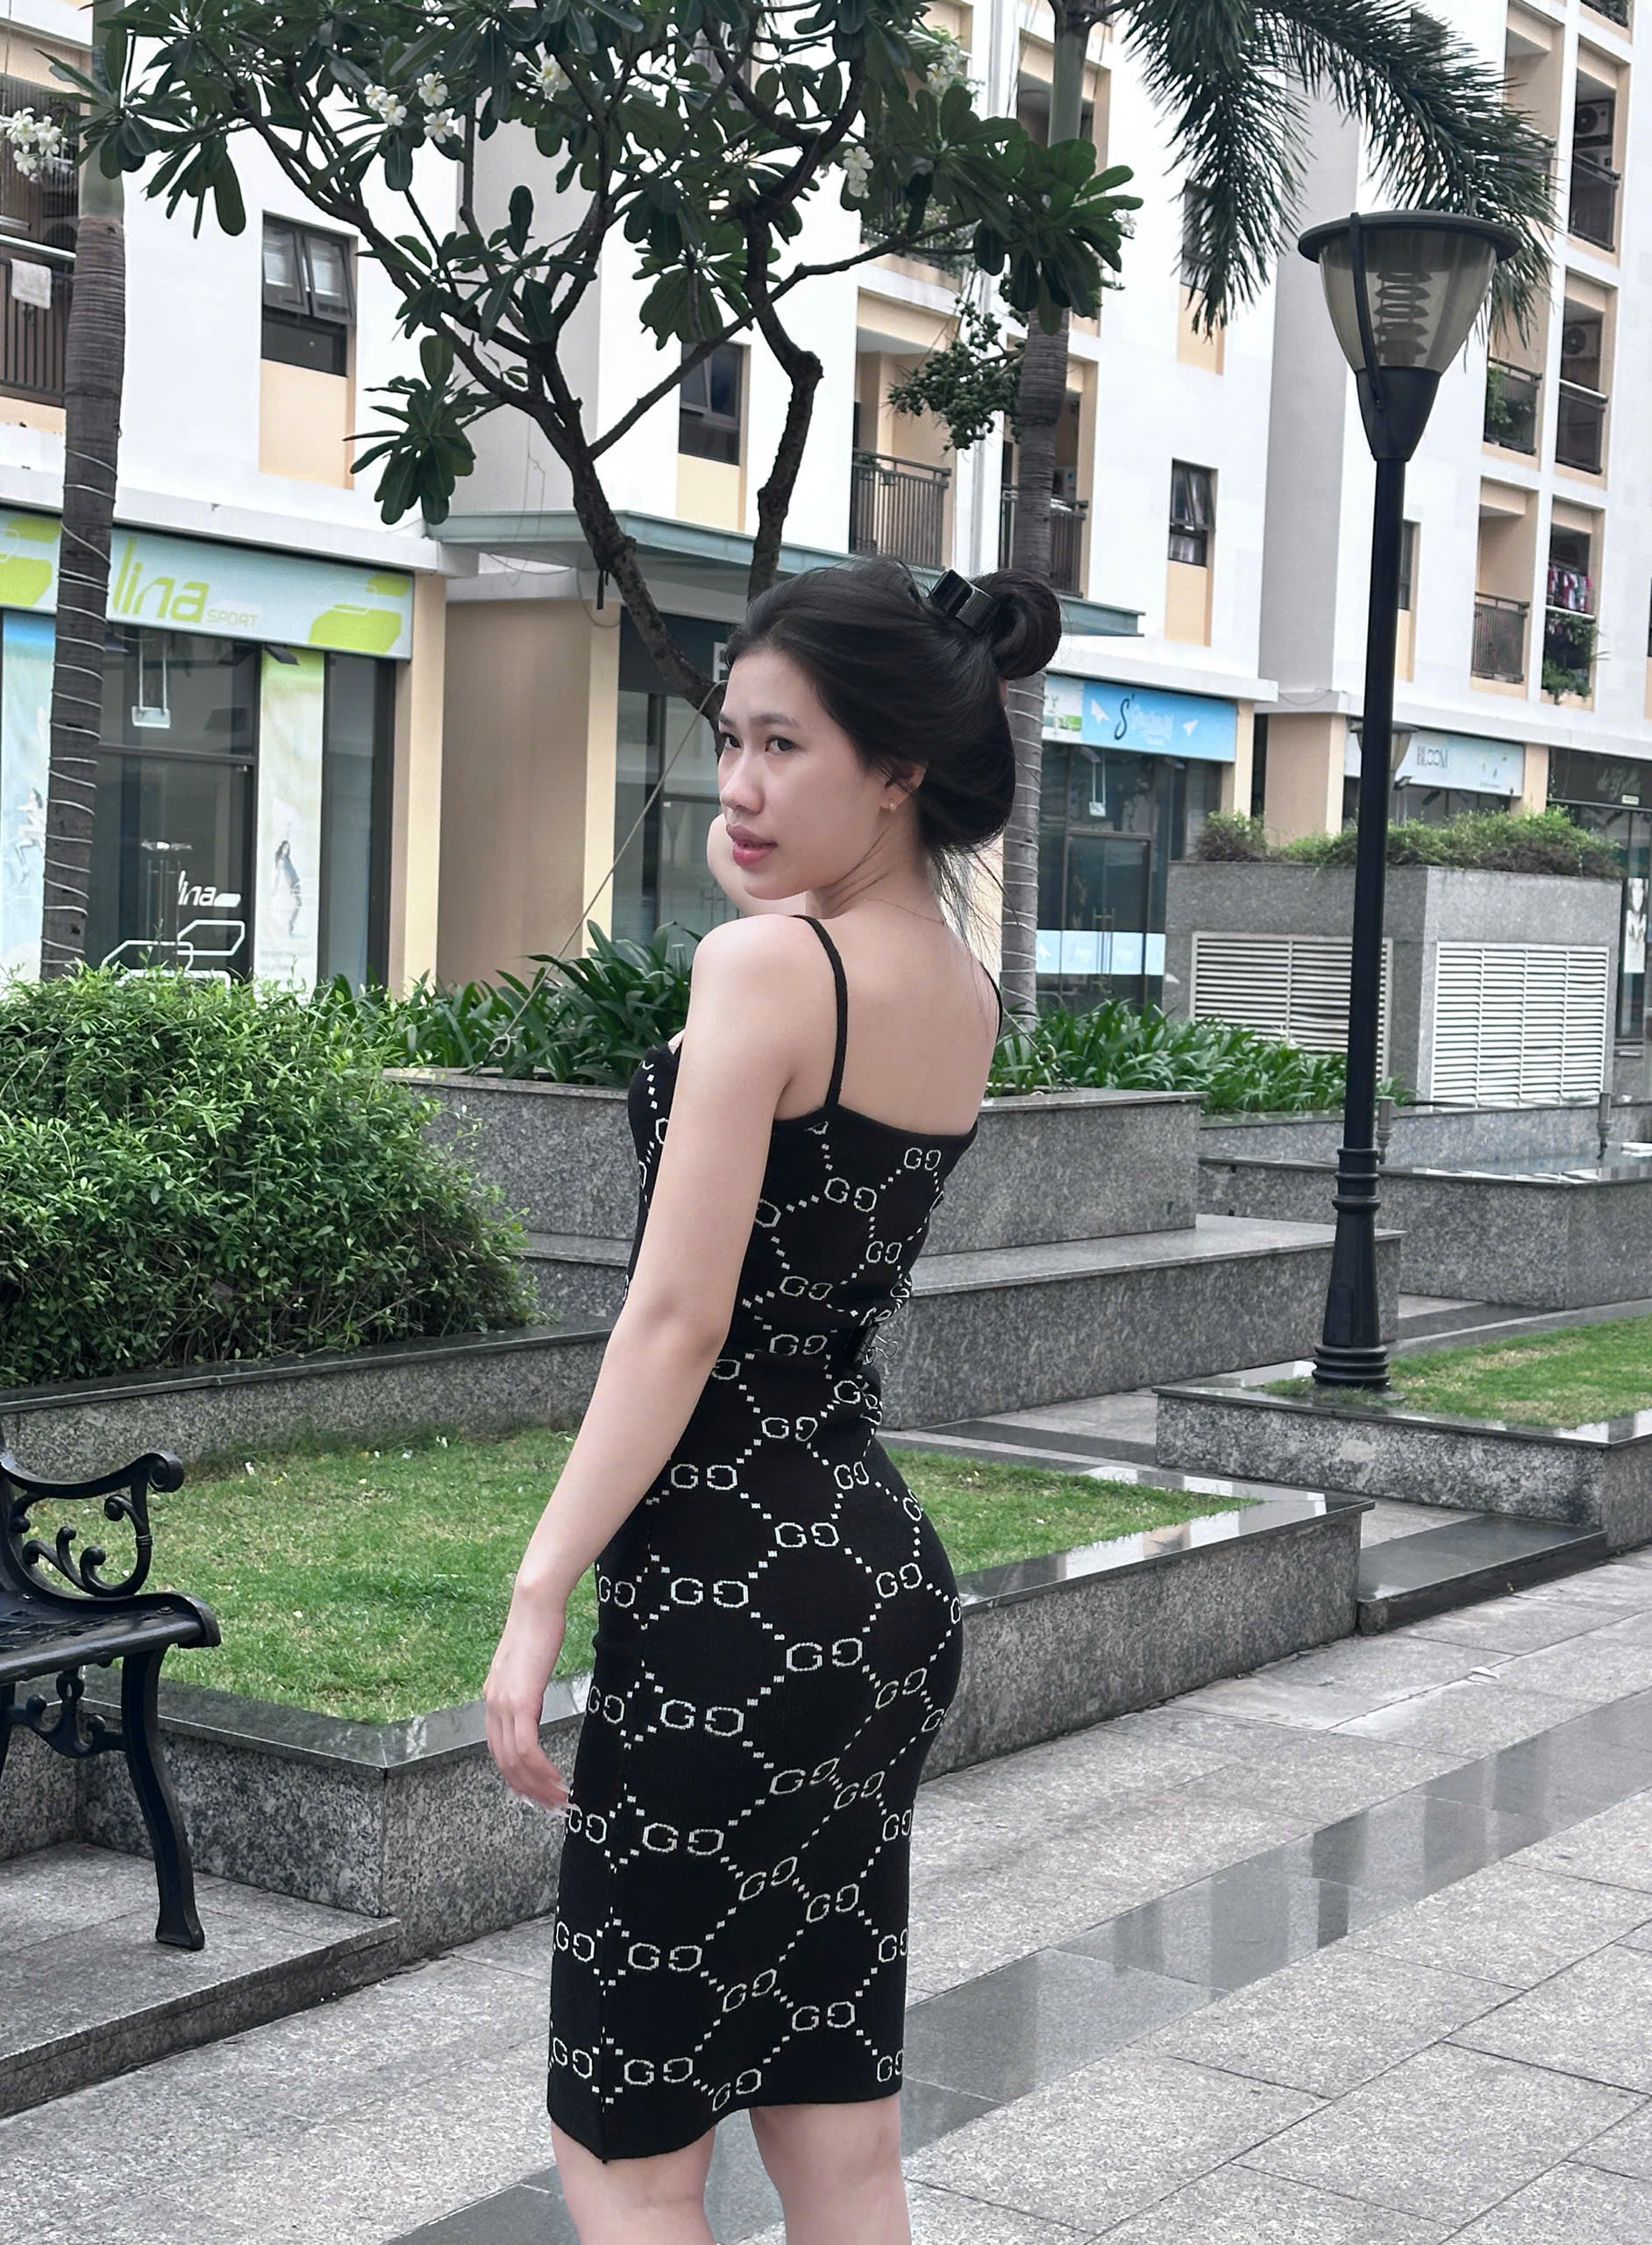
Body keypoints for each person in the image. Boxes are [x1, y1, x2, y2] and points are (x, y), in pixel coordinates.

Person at [483, 557, 1063, 2243]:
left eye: (783, 746)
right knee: (837, 2130)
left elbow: (676, 1321)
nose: (736, 785)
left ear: (897, 770)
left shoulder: (767, 968)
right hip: (872, 1590)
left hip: (729, 1597)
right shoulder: (957, 989)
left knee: (630, 2151)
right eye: (730, 739)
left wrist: (540, 1587)